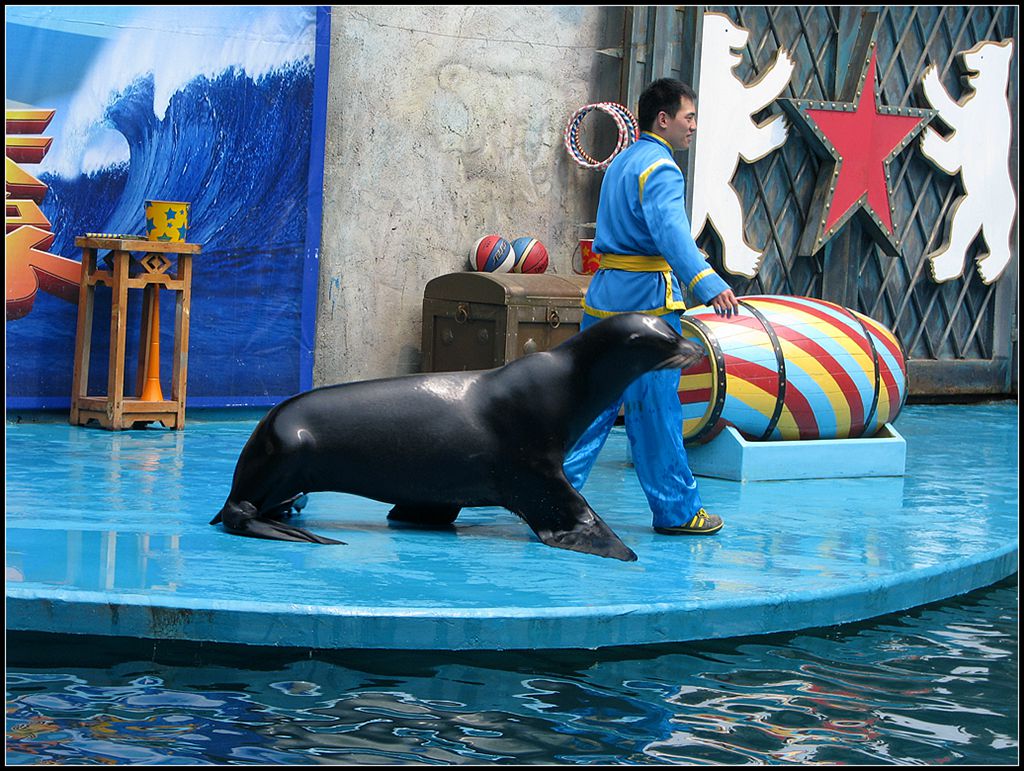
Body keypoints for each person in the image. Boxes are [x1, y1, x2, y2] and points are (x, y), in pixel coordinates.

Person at [563, 78, 740, 536]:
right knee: (657, 410)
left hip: (603, 299)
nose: (694, 127)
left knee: (589, 406)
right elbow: (671, 234)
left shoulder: (622, 163)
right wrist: (706, 281)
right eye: (689, 117)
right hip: (647, 306)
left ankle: (551, 501)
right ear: (663, 119)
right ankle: (677, 511)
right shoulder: (661, 168)